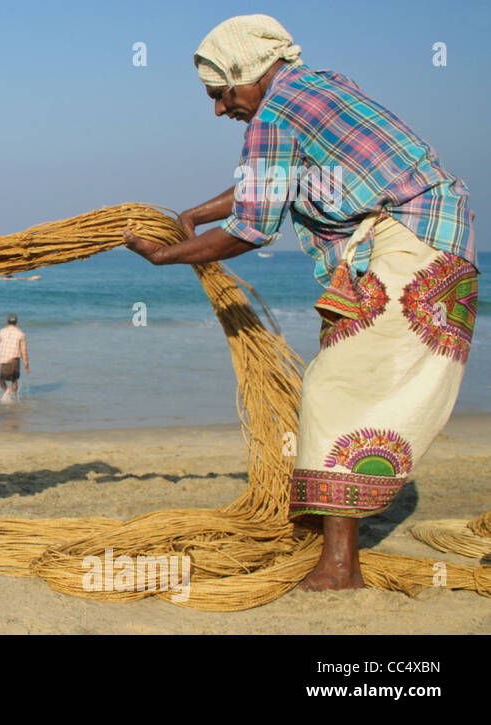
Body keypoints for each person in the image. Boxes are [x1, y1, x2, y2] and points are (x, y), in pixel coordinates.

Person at [123, 15, 478, 592]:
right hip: (441, 240)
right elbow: (274, 183)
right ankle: (328, 526)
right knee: (351, 377)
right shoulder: (316, 87)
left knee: (336, 386)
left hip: (408, 246)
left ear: (246, 74)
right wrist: (195, 216)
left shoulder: (273, 114)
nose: (218, 110)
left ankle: (339, 567)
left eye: (220, 95)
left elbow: (254, 226)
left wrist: (167, 257)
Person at [0, 314, 29, 401]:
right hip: (15, 360)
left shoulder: (1, 331)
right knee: (14, 380)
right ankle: (14, 397)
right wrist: (26, 365)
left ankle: (7, 390)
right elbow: (24, 351)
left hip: (6, 361)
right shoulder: (21, 333)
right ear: (16, 322)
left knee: (2, 381)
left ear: (7, 322)